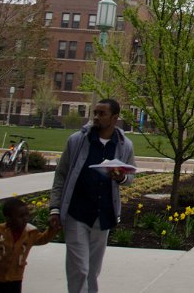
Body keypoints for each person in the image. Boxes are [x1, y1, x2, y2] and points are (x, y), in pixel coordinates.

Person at [50, 99, 135, 293]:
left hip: (103, 214)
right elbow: (61, 174)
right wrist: (55, 208)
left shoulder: (124, 145)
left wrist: (121, 177)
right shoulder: (77, 141)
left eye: (102, 114)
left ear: (114, 118)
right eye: (95, 113)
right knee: (78, 269)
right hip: (77, 212)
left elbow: (130, 177)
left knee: (92, 270)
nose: (96, 117)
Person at [0, 197, 60, 292]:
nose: (25, 219)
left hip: (15, 279)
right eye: (21, 216)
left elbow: (43, 239)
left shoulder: (30, 233)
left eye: (27, 215)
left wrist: (52, 229)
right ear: (8, 219)